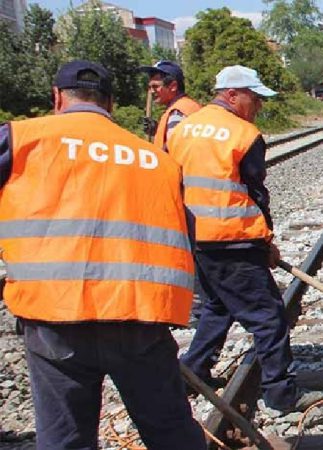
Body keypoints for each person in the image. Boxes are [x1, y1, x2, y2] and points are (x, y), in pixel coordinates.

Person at [0, 60, 205, 449]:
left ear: (57, 97)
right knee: (171, 433)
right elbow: (186, 235)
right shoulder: (157, 160)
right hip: (139, 315)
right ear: (111, 104)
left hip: (54, 317)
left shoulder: (20, 138)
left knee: (66, 439)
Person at [168, 65, 304, 413]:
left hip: (196, 237)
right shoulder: (243, 134)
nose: (258, 105)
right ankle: (281, 395)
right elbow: (255, 193)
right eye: (254, 97)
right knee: (269, 316)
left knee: (217, 306)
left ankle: (192, 371)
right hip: (233, 237)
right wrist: (266, 241)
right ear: (231, 94)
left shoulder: (182, 129)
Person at [139, 60, 201, 151]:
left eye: (155, 86)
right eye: (150, 87)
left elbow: (175, 150)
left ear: (173, 86)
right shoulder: (189, 106)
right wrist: (157, 131)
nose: (151, 91)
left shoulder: (177, 113)